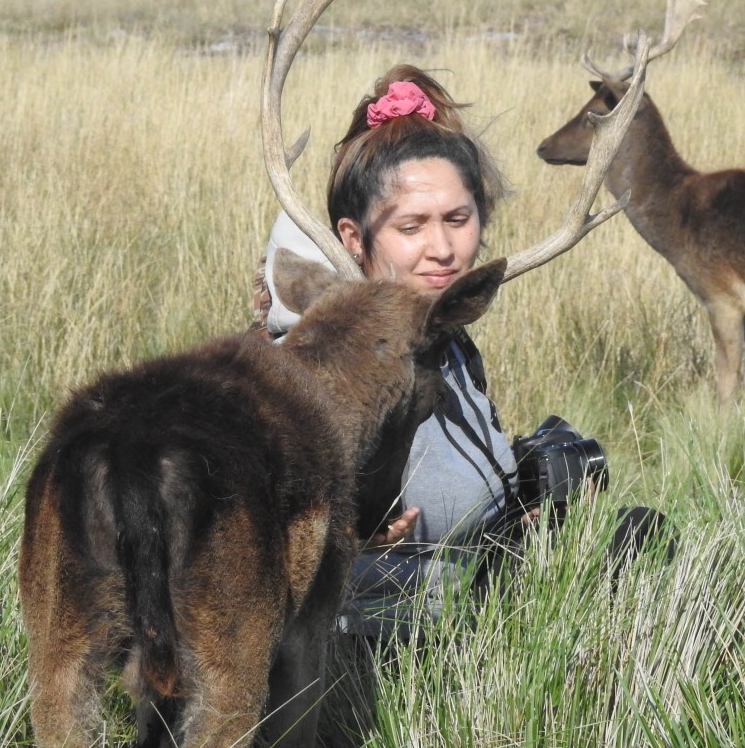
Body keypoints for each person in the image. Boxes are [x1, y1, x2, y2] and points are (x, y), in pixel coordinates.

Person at [251, 65, 671, 647]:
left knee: (644, 536)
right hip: (378, 641)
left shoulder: (442, 337)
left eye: (457, 219)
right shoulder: (317, 361)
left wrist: (518, 491)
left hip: (461, 606)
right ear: (352, 237)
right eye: (411, 226)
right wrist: (347, 533)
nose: (443, 249)